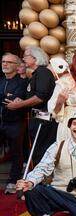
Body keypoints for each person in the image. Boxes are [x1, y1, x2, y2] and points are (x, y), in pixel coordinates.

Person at [6, 46, 57, 165]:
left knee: (42, 150)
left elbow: (40, 97)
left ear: (35, 58)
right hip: (37, 119)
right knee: (37, 149)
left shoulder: (43, 72)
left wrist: (19, 105)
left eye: (26, 56)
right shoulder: (36, 74)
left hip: (44, 120)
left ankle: (42, 182)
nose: (23, 58)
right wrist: (21, 100)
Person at [1, 53, 28, 194]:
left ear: (17, 66)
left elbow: (17, 99)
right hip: (1, 121)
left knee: (16, 152)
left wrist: (6, 97)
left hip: (16, 122)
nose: (5, 64)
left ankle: (13, 181)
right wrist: (7, 96)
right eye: (3, 61)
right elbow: (7, 99)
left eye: (9, 62)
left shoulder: (23, 83)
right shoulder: (0, 81)